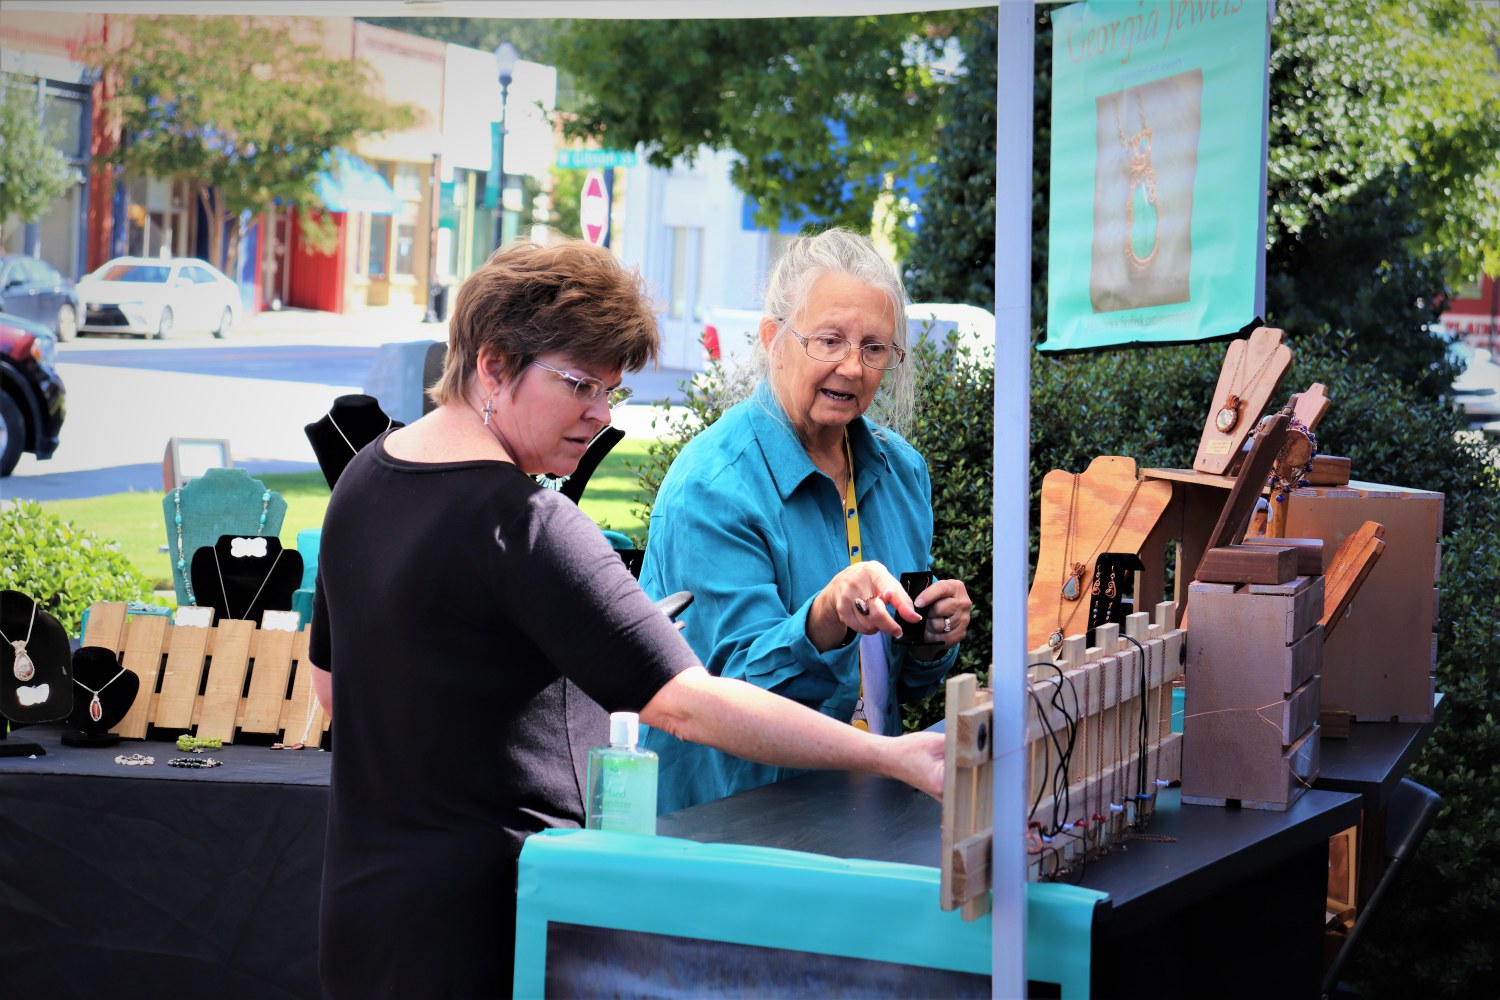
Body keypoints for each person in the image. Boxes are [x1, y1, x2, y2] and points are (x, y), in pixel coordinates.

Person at [308, 239, 945, 999]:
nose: (601, 416)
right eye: (581, 385)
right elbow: (691, 704)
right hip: (494, 926)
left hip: (365, 914)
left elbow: (332, 688)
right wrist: (896, 758)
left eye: (613, 392)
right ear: (493, 365)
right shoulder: (527, 528)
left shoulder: (365, 478)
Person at [639, 228, 973, 813]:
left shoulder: (901, 473)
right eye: (829, 340)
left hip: (864, 808)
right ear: (774, 339)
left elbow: (897, 687)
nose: (852, 366)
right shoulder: (712, 490)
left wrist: (930, 639)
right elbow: (730, 699)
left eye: (875, 348)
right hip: (735, 822)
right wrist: (823, 617)